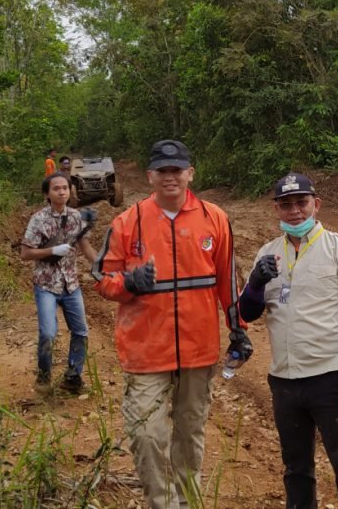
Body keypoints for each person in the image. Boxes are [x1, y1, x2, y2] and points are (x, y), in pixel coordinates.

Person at [93, 139, 251, 509]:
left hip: (199, 351)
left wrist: (238, 328)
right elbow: (102, 277)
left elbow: (227, 280)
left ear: (190, 173)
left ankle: (188, 502)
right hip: (145, 351)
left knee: (189, 434)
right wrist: (129, 284)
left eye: (176, 170)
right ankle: (161, 504)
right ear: (150, 176)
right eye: (162, 171)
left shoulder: (215, 219)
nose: (170, 177)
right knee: (147, 435)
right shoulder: (126, 222)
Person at [240, 172, 338, 509]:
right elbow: (247, 312)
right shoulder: (268, 254)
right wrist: (255, 283)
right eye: (286, 205)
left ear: (316, 204)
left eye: (301, 203)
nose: (295, 211)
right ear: (277, 209)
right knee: (296, 469)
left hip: (329, 377)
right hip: (284, 380)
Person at [20, 171, 98, 393]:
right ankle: (44, 376)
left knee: (81, 331)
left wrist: (100, 266)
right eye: (57, 188)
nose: (62, 191)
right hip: (46, 285)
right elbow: (25, 254)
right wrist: (52, 250)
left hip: (71, 284)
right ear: (47, 193)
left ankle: (73, 377)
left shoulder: (76, 217)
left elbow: (85, 246)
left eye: (65, 187)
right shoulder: (39, 220)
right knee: (48, 333)